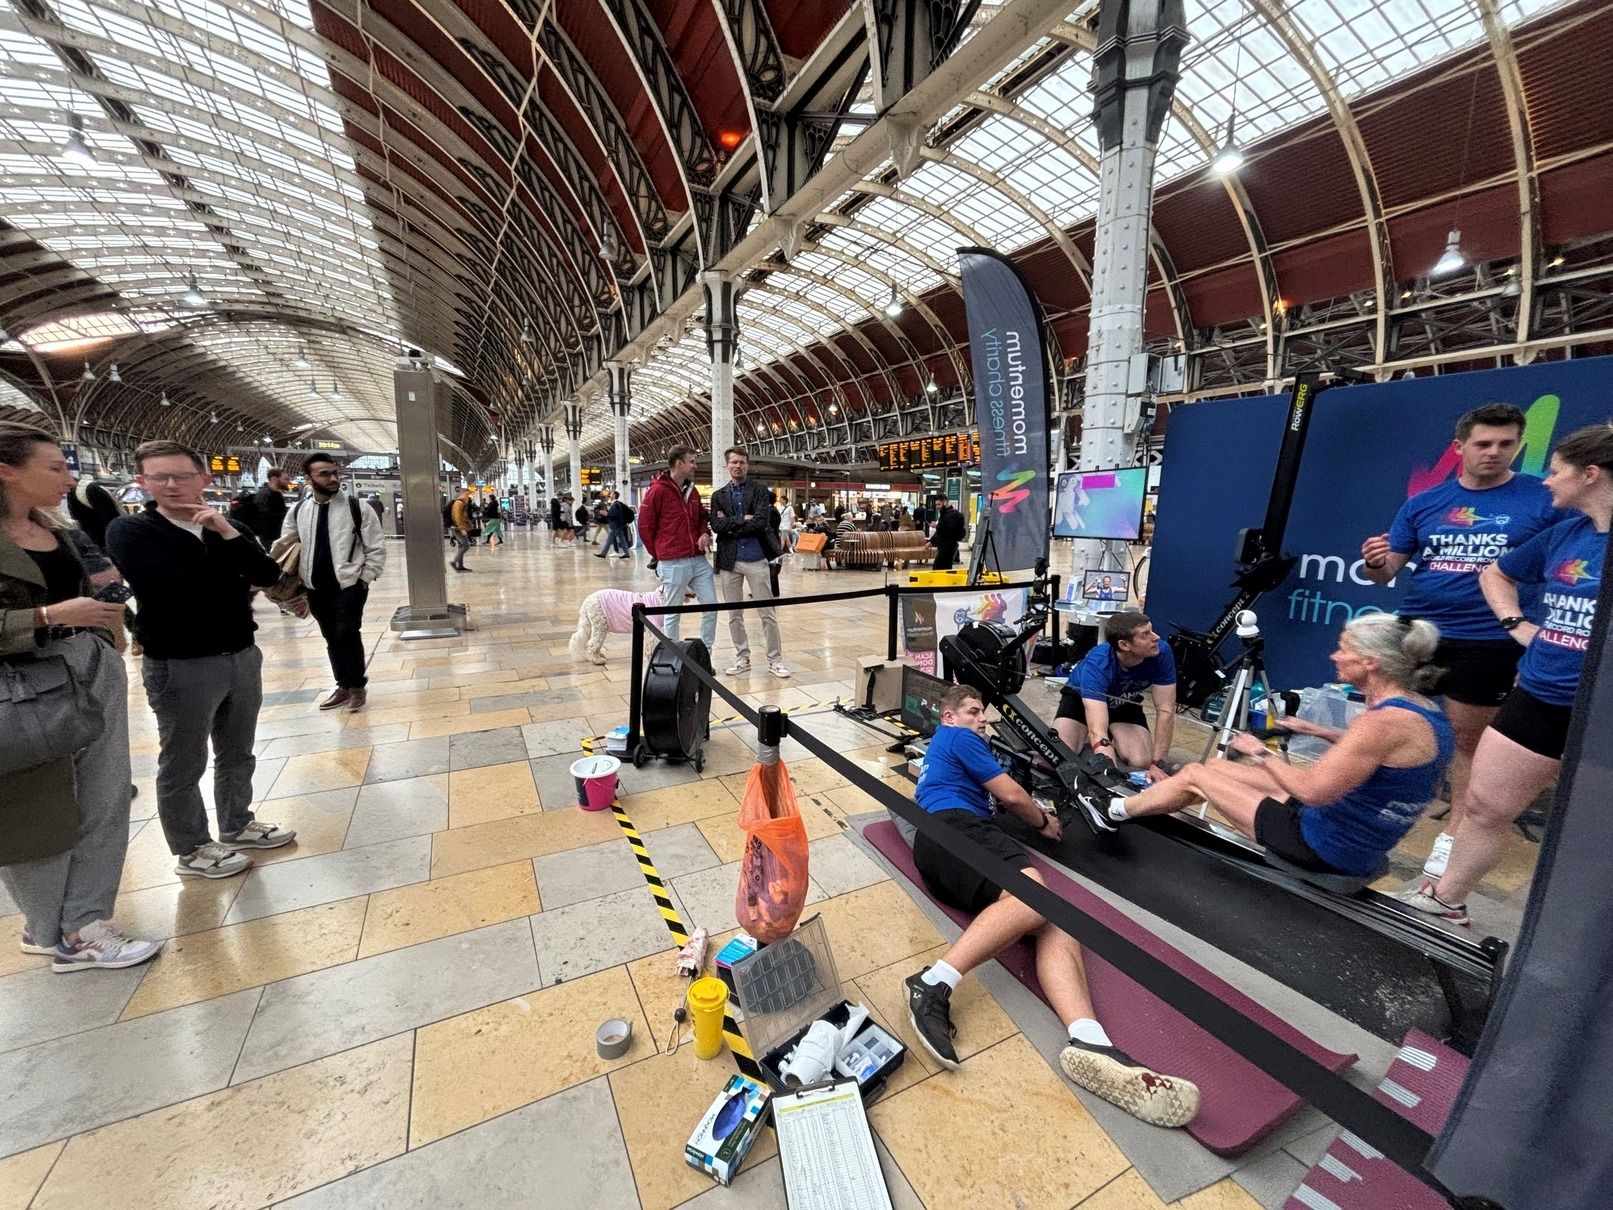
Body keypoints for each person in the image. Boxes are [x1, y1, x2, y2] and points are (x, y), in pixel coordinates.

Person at [903, 683, 1199, 1127]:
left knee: (1053, 917)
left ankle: (1088, 1038)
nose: (981, 719)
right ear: (948, 718)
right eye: (971, 711)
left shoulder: (945, 754)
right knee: (1034, 893)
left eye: (983, 713)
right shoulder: (958, 738)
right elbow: (1015, 797)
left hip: (945, 851)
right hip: (956, 831)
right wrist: (1045, 823)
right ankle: (933, 982)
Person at [1396, 424, 1611, 926]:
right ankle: (1446, 900)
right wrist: (1517, 625)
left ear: (1590, 474)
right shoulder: (1567, 533)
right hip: (1540, 693)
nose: (1547, 481)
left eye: (1556, 472)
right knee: (1486, 806)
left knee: (1591, 840)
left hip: (1600, 708)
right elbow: (1497, 572)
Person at [1359, 403, 1558, 879]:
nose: (1493, 452)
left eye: (1505, 444)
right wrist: (1373, 561)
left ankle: (1452, 842)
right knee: (1393, 723)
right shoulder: (1425, 503)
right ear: (1460, 448)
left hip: (1487, 638)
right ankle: (1376, 812)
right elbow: (1387, 572)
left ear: (1519, 445)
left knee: (1468, 743)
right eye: (1483, 444)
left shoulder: (1541, 499)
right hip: (1418, 632)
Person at [1108, 616, 1455, 887]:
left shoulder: (1382, 723)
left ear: (1371, 662)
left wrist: (1260, 752)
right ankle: (1156, 805)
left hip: (1326, 846)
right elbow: (1391, 760)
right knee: (1214, 771)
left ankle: (1114, 810)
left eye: (1344, 648)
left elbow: (1311, 791)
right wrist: (1319, 731)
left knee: (1198, 774)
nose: (1335, 655)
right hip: (1351, 833)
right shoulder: (1421, 710)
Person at [0, 423, 162, 970]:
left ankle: (84, 918)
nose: (69, 477)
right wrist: (45, 617)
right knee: (34, 807)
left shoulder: (60, 530)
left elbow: (105, 586)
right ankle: (54, 929)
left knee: (105, 793)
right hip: (19, 686)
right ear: (7, 471)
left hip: (86, 667)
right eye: (54, 467)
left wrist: (110, 634)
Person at [106, 440, 296, 880]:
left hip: (241, 654)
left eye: (182, 476)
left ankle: (237, 823)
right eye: (159, 477)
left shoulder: (229, 529)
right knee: (183, 761)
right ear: (143, 482)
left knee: (238, 751)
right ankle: (191, 848)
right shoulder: (130, 531)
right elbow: (175, 586)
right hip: (179, 663)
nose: (171, 485)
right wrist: (233, 570)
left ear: (204, 480)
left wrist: (228, 535)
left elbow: (269, 578)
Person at [282, 453, 386, 712]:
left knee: (347, 633)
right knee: (330, 636)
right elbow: (285, 546)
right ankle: (343, 685)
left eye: (333, 473)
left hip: (349, 586)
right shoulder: (298, 511)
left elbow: (375, 546)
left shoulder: (356, 507)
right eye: (324, 474)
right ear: (308, 479)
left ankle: (357, 687)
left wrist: (364, 578)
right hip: (315, 587)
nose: (332, 478)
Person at [1053, 612, 1177, 802]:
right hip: (1081, 698)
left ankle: (1115, 739)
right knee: (1061, 753)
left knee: (1141, 761)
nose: (1156, 638)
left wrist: (1158, 765)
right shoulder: (1098, 662)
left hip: (1124, 700)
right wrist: (1111, 778)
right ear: (1124, 645)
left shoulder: (1161, 651)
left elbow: (1166, 710)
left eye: (1152, 630)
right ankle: (1086, 741)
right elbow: (1097, 732)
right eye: (1145, 634)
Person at [711, 447, 789, 678]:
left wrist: (731, 522)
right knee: (734, 614)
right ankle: (742, 657)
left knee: (767, 613)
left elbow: (760, 523)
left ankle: (775, 660)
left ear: (747, 465)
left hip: (756, 558)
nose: (738, 466)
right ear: (727, 466)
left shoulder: (759, 491)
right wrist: (743, 518)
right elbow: (716, 526)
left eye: (742, 462)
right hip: (729, 560)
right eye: (734, 462)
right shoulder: (718, 495)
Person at [638, 445, 717, 650]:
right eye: (692, 462)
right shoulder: (657, 491)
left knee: (711, 606)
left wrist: (704, 532)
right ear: (679, 463)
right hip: (672, 561)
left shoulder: (692, 491)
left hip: (698, 560)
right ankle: (673, 655)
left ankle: (706, 655)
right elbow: (645, 526)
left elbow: (701, 517)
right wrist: (660, 554)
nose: (695, 466)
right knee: (673, 612)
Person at [65, 478, 121, 547]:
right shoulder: (71, 493)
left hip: (103, 542)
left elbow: (110, 519)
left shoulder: (91, 490)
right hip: (94, 542)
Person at [246, 467, 290, 549]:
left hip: (276, 537)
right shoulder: (264, 495)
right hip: (269, 539)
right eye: (285, 479)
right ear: (274, 479)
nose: (288, 482)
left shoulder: (277, 495)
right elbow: (263, 519)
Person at [929, 498, 965, 569]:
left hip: (948, 546)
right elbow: (940, 531)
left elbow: (949, 530)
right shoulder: (944, 514)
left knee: (939, 568)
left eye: (939, 504)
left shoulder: (952, 515)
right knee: (944, 568)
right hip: (944, 546)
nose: (937, 507)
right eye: (936, 505)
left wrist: (937, 526)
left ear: (945, 502)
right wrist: (931, 541)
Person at [597, 490, 633, 559]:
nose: (610, 494)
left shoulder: (616, 504)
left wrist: (607, 514)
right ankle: (627, 554)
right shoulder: (615, 504)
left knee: (609, 540)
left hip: (616, 526)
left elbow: (616, 515)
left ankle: (603, 554)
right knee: (622, 540)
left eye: (611, 494)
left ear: (614, 496)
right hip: (618, 525)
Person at [448, 486, 474, 571]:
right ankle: (454, 561)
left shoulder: (462, 503)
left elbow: (464, 516)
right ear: (462, 494)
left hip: (458, 527)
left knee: (461, 546)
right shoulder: (458, 504)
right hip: (457, 528)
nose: (468, 497)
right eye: (467, 494)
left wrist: (469, 524)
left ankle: (460, 566)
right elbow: (457, 517)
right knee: (465, 545)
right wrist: (462, 528)